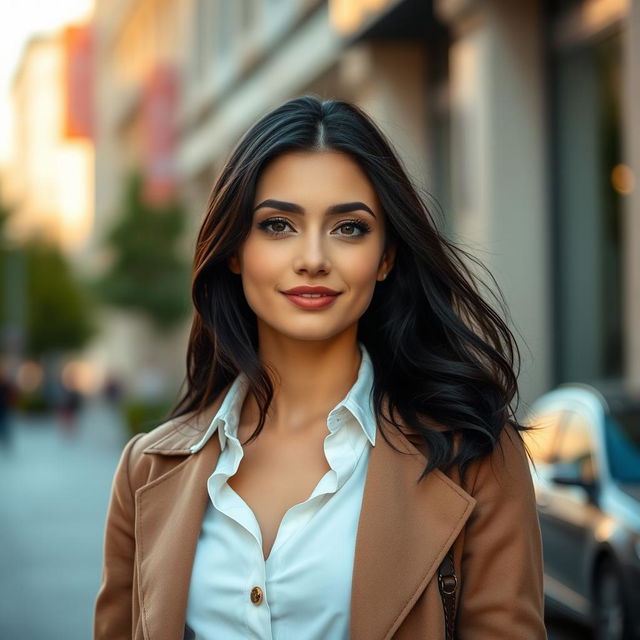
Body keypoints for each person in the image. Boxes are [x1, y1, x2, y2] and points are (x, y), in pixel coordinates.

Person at [94, 96, 547, 639]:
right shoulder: (146, 469)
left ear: (385, 257)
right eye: (278, 225)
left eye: (348, 228)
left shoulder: (473, 454)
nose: (312, 257)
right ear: (235, 250)